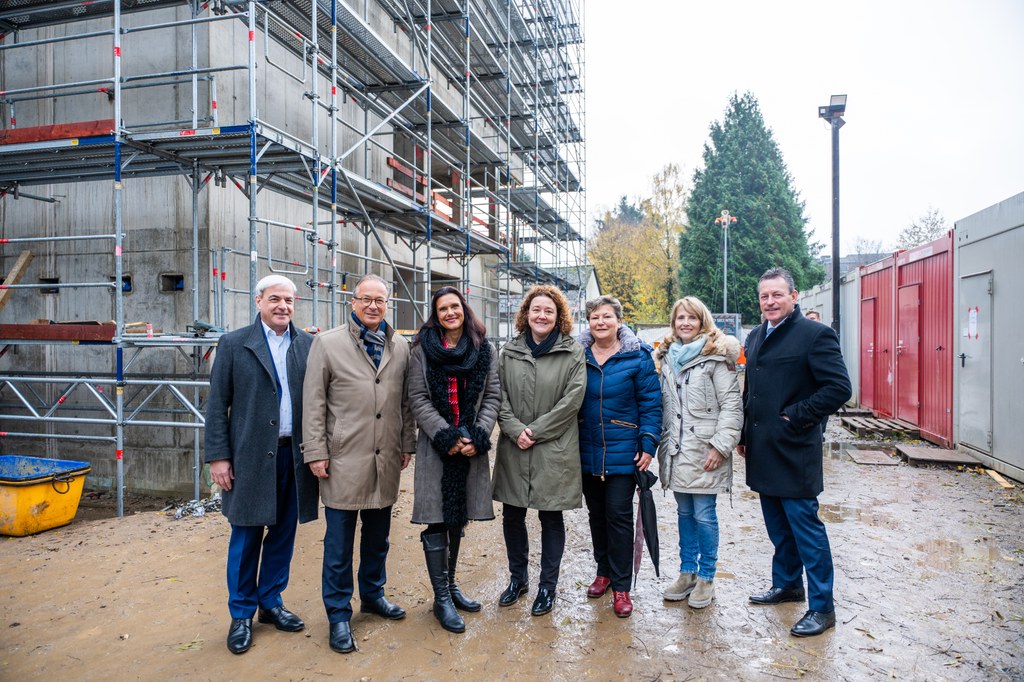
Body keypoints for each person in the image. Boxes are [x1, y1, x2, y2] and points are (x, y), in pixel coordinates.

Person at [301, 273, 415, 654]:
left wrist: (407, 443)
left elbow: (405, 404)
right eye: (366, 299)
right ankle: (337, 614)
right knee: (338, 543)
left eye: (379, 300)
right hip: (343, 458)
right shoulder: (328, 344)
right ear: (353, 302)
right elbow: (313, 402)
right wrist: (315, 451)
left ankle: (373, 595)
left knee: (378, 537)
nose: (372, 306)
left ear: (388, 304)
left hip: (385, 458)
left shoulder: (400, 346)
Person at [204, 274, 318, 655]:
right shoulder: (235, 344)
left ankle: (270, 601)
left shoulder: (307, 345)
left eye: (288, 300)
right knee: (247, 534)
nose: (282, 306)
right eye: (274, 299)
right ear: (258, 302)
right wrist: (219, 457)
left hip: (293, 454)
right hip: (250, 457)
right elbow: (217, 406)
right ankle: (241, 614)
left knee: (284, 532)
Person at [738, 267, 852, 637]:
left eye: (777, 295)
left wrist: (795, 417)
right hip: (762, 447)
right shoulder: (755, 336)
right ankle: (787, 584)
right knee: (778, 527)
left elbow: (838, 388)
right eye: (764, 296)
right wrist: (743, 433)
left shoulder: (815, 335)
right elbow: (750, 390)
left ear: (794, 295)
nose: (770, 302)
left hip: (793, 447)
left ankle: (823, 607)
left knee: (807, 530)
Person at [406, 286, 501, 633]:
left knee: (457, 517)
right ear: (436, 314)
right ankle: (441, 597)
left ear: (464, 310)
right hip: (438, 448)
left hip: (471, 446)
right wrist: (446, 435)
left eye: (455, 306)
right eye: (443, 308)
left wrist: (478, 434)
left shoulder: (483, 348)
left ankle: (451, 584)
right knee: (436, 518)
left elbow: (493, 396)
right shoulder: (422, 350)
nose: (450, 313)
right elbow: (417, 398)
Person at [492, 285, 586, 617]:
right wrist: (516, 430)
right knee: (513, 515)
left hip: (553, 447)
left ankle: (547, 586)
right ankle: (518, 580)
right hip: (515, 446)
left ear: (558, 315)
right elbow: (497, 397)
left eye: (548, 310)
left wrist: (536, 431)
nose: (542, 315)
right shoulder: (510, 351)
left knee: (550, 516)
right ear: (526, 315)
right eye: (536, 310)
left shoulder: (572, 352)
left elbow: (572, 401)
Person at [655, 296, 742, 610]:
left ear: (702, 321)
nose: (685, 323)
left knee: (705, 515)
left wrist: (721, 445)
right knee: (684, 513)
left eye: (692, 318)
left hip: (705, 451)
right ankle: (687, 571)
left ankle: (707, 576)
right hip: (677, 452)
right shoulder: (666, 359)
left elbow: (732, 406)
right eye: (680, 318)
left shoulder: (716, 358)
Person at [577, 296, 661, 618]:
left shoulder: (637, 357)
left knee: (619, 517)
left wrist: (648, 443)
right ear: (589, 322)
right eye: (595, 317)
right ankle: (604, 571)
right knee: (596, 516)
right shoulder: (578, 355)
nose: (601, 322)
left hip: (624, 452)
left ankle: (622, 586)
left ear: (618, 321)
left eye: (607, 317)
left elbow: (651, 405)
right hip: (586, 450)